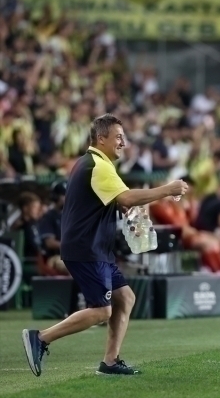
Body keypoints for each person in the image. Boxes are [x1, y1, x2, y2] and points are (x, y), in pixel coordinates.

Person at [22, 114, 188, 377]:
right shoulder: (97, 166)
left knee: (126, 298)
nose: (124, 142)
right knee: (101, 311)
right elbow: (127, 197)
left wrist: (134, 207)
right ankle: (40, 338)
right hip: (86, 248)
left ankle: (110, 362)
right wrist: (167, 189)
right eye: (119, 137)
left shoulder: (93, 163)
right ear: (102, 138)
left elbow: (122, 202)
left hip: (96, 247)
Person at [38, 180, 69, 275]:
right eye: (64, 195)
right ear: (55, 197)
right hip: (55, 257)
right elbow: (49, 243)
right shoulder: (49, 217)